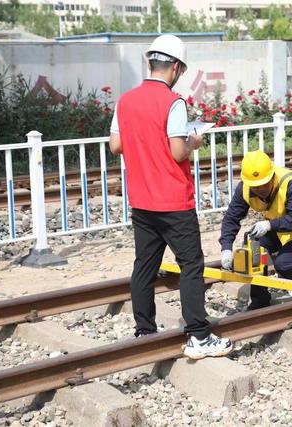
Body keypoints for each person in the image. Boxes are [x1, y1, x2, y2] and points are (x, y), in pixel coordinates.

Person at [108, 34, 232, 359]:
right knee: (192, 265)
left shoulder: (125, 101)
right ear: (175, 67)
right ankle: (199, 337)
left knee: (144, 266)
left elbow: (115, 146)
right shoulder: (174, 103)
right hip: (173, 201)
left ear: (150, 62)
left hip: (141, 201)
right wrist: (194, 141)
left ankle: (145, 330)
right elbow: (178, 151)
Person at [219, 150, 292, 309]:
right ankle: (260, 300)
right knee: (254, 251)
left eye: (264, 184)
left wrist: (268, 225)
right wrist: (226, 248)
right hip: (280, 224)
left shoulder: (291, 183)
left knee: (285, 264)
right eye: (256, 186)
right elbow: (231, 218)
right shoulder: (245, 188)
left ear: (272, 175)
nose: (260, 189)